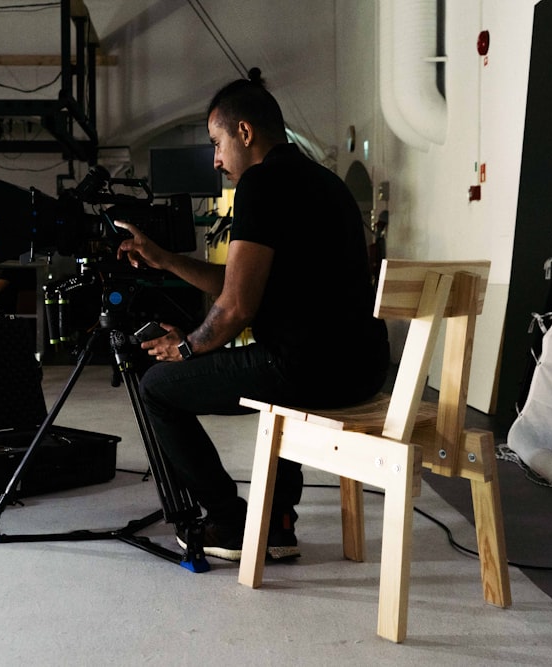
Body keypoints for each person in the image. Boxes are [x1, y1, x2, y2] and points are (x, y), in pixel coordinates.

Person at [115, 68, 389, 562]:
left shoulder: (262, 184)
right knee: (273, 369)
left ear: (245, 132)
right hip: (362, 368)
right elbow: (242, 285)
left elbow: (238, 306)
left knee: (157, 387)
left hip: (306, 368)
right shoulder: (325, 183)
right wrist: (167, 259)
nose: (216, 159)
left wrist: (186, 346)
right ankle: (278, 522)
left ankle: (228, 521)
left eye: (217, 142)